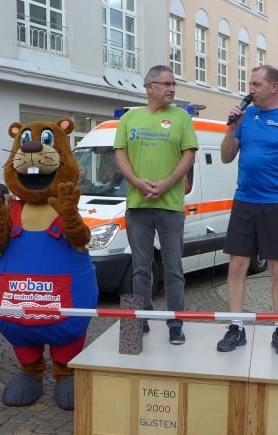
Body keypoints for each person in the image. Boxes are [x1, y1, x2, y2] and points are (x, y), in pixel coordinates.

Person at [216, 64, 278, 356]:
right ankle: (236, 326)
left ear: (274, 87)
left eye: (256, 84)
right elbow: (226, 157)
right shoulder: (245, 117)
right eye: (250, 84)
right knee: (237, 265)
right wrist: (232, 127)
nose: (250, 89)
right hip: (245, 201)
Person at [114, 64, 198, 344]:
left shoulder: (182, 117)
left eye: (174, 84)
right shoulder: (130, 118)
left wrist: (166, 184)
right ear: (150, 87)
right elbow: (120, 155)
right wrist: (137, 182)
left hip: (170, 205)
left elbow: (189, 156)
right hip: (138, 205)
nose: (172, 89)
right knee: (141, 268)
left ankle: (176, 323)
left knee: (173, 268)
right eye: (167, 84)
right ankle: (141, 320)